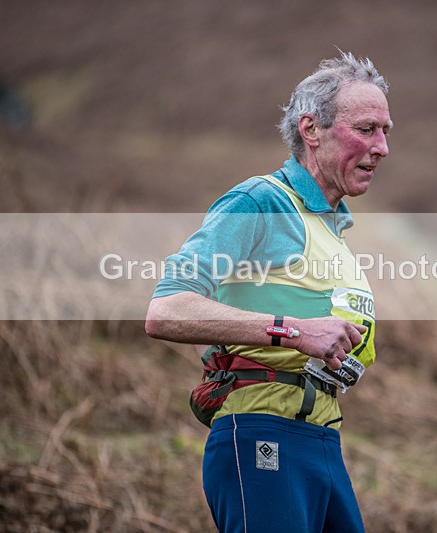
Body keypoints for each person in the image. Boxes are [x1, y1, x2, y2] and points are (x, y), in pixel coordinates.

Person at [145, 50, 392, 533]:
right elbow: (166, 309)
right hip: (262, 432)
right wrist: (294, 333)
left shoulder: (334, 231)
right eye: (366, 129)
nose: (382, 146)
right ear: (311, 129)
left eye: (386, 131)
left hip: (321, 438)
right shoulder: (261, 201)